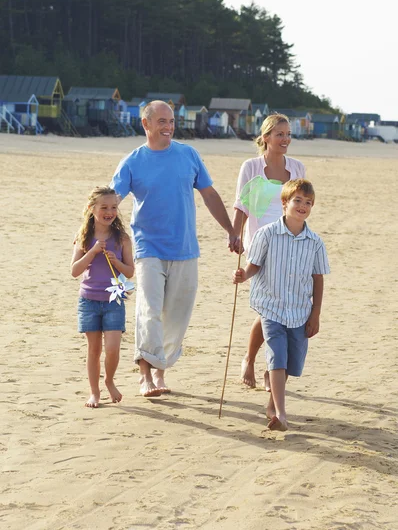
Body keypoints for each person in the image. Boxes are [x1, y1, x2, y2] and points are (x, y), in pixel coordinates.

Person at [110, 100, 239, 397]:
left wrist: (231, 230)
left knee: (177, 316)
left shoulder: (188, 155)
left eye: (171, 121)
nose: (168, 127)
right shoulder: (132, 162)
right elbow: (111, 201)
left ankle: (161, 369)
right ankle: (145, 376)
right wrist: (93, 233)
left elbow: (209, 195)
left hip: (185, 248)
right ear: (146, 124)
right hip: (148, 247)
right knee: (150, 310)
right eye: (162, 121)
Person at [233, 179, 330, 431]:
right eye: (297, 200)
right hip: (271, 307)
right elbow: (254, 264)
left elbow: (318, 278)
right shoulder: (267, 234)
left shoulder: (315, 242)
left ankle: (271, 402)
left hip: (300, 311)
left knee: (291, 361)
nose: (303, 206)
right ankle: (281, 412)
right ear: (284, 203)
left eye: (308, 203)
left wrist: (315, 313)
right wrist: (244, 274)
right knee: (277, 356)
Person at [233, 113, 306, 389]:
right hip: (261, 245)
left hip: (292, 244)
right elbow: (242, 205)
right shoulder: (251, 167)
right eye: (279, 134)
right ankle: (253, 361)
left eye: (288, 135)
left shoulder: (297, 168)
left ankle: (268, 366)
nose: (285, 139)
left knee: (280, 309)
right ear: (265, 138)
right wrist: (234, 235)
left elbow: (301, 205)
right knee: (269, 310)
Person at [71, 186, 135, 408]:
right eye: (104, 207)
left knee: (113, 348)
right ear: (92, 209)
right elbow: (74, 271)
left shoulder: (122, 238)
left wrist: (116, 262)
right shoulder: (84, 236)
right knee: (94, 349)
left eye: (114, 207)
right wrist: (92, 252)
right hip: (88, 300)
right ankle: (94, 393)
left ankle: (109, 380)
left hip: (113, 301)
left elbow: (129, 271)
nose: (110, 212)